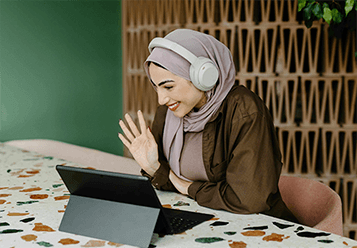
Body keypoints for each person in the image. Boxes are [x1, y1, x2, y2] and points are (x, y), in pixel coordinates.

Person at [118, 29, 298, 223]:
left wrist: (187, 187)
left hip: (260, 226)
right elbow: (169, 184)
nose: (161, 99)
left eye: (168, 87)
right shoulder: (169, 111)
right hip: (201, 220)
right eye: (156, 87)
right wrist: (154, 168)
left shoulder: (244, 109)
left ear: (203, 76)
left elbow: (248, 199)